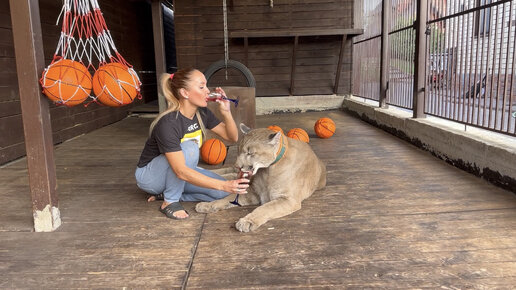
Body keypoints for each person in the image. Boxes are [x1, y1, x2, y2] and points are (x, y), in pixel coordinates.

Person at [135, 68, 249, 220]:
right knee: (190, 148)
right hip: (150, 177)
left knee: (224, 192)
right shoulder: (169, 123)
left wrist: (226, 112)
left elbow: (232, 137)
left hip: (179, 173)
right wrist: (222, 184)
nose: (208, 91)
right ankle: (170, 202)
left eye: (206, 86)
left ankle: (168, 194)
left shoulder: (202, 113)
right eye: (201, 87)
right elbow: (180, 171)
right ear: (185, 93)